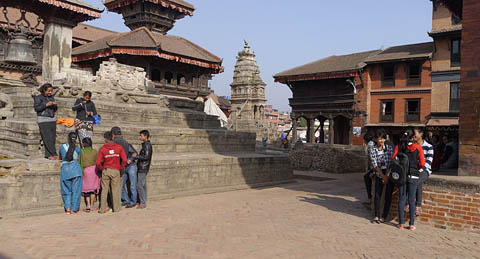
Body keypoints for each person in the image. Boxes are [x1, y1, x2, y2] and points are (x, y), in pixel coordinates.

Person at [392, 128, 425, 230]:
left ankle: (401, 223)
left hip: (402, 176)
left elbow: (393, 158)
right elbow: (422, 163)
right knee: (411, 200)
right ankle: (411, 224)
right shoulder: (418, 147)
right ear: (413, 137)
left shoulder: (399, 146)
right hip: (414, 176)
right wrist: (416, 168)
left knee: (401, 200)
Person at [96, 131, 127, 213]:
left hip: (106, 170)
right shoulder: (119, 147)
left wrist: (102, 168)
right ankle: (116, 208)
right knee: (115, 190)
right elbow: (124, 160)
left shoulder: (102, 148)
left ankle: (102, 209)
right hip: (115, 170)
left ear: (105, 139)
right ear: (113, 137)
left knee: (104, 190)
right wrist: (120, 167)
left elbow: (98, 162)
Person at [368, 128, 394, 224]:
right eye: (379, 139)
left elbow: (390, 163)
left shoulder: (389, 148)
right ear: (375, 139)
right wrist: (383, 176)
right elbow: (375, 165)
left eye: (383, 138)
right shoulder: (372, 149)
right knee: (377, 195)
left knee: (388, 196)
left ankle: (384, 216)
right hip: (379, 172)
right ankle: (376, 215)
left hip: (388, 172)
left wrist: (387, 176)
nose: (381, 141)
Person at [59, 132, 83, 215]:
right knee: (76, 191)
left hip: (65, 170)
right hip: (76, 170)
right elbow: (79, 160)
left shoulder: (62, 147)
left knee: (66, 190)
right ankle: (74, 209)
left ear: (68, 138)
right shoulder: (78, 149)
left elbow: (60, 158)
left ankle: (68, 208)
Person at [34, 83, 58, 160]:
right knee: (47, 137)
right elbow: (37, 109)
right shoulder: (38, 97)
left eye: (51, 91)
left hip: (52, 118)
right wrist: (46, 104)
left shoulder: (52, 98)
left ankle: (53, 153)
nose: (50, 92)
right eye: (48, 91)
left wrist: (55, 105)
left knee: (53, 137)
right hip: (43, 119)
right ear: (44, 90)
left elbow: (55, 109)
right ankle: (49, 154)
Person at [414, 127, 434, 216]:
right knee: (416, 182)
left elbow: (428, 163)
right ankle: (417, 205)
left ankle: (413, 203)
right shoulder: (412, 146)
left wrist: (420, 170)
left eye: (415, 133)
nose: (413, 135)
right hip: (414, 169)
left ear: (421, 134)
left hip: (425, 170)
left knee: (416, 181)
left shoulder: (429, 147)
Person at [80, 137, 100, 212]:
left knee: (86, 190)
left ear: (84, 144)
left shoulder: (81, 151)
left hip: (86, 171)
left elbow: (81, 162)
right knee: (93, 189)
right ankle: (92, 205)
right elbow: (98, 161)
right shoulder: (95, 151)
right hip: (94, 171)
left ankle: (88, 205)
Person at [136, 130, 153, 209]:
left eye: (141, 136)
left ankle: (142, 203)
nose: (140, 137)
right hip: (143, 167)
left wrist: (136, 156)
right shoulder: (145, 145)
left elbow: (146, 157)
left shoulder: (147, 145)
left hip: (143, 167)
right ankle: (144, 201)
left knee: (139, 185)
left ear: (145, 136)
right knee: (143, 185)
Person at [122, 143, 138, 208]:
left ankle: (133, 202)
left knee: (132, 185)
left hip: (131, 166)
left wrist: (130, 159)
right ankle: (126, 200)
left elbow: (135, 153)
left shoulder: (127, 145)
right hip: (123, 167)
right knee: (120, 185)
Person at [363, 133, 375, 205]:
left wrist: (373, 171)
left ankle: (370, 198)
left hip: (376, 167)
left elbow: (372, 158)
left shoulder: (370, 145)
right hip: (375, 166)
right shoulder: (372, 144)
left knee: (367, 178)